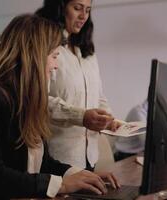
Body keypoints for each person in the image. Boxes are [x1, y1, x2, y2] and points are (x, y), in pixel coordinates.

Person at [0, 14, 119, 200]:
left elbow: (42, 163)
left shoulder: (29, 101)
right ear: (33, 54)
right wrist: (62, 185)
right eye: (54, 56)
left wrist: (81, 176)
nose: (55, 65)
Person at [35, 0, 121, 170]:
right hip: (58, 156)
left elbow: (98, 95)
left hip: (90, 156)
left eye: (88, 10)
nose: (83, 16)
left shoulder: (88, 51)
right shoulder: (47, 48)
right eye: (77, 8)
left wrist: (109, 119)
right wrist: (80, 116)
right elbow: (39, 100)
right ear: (60, 8)